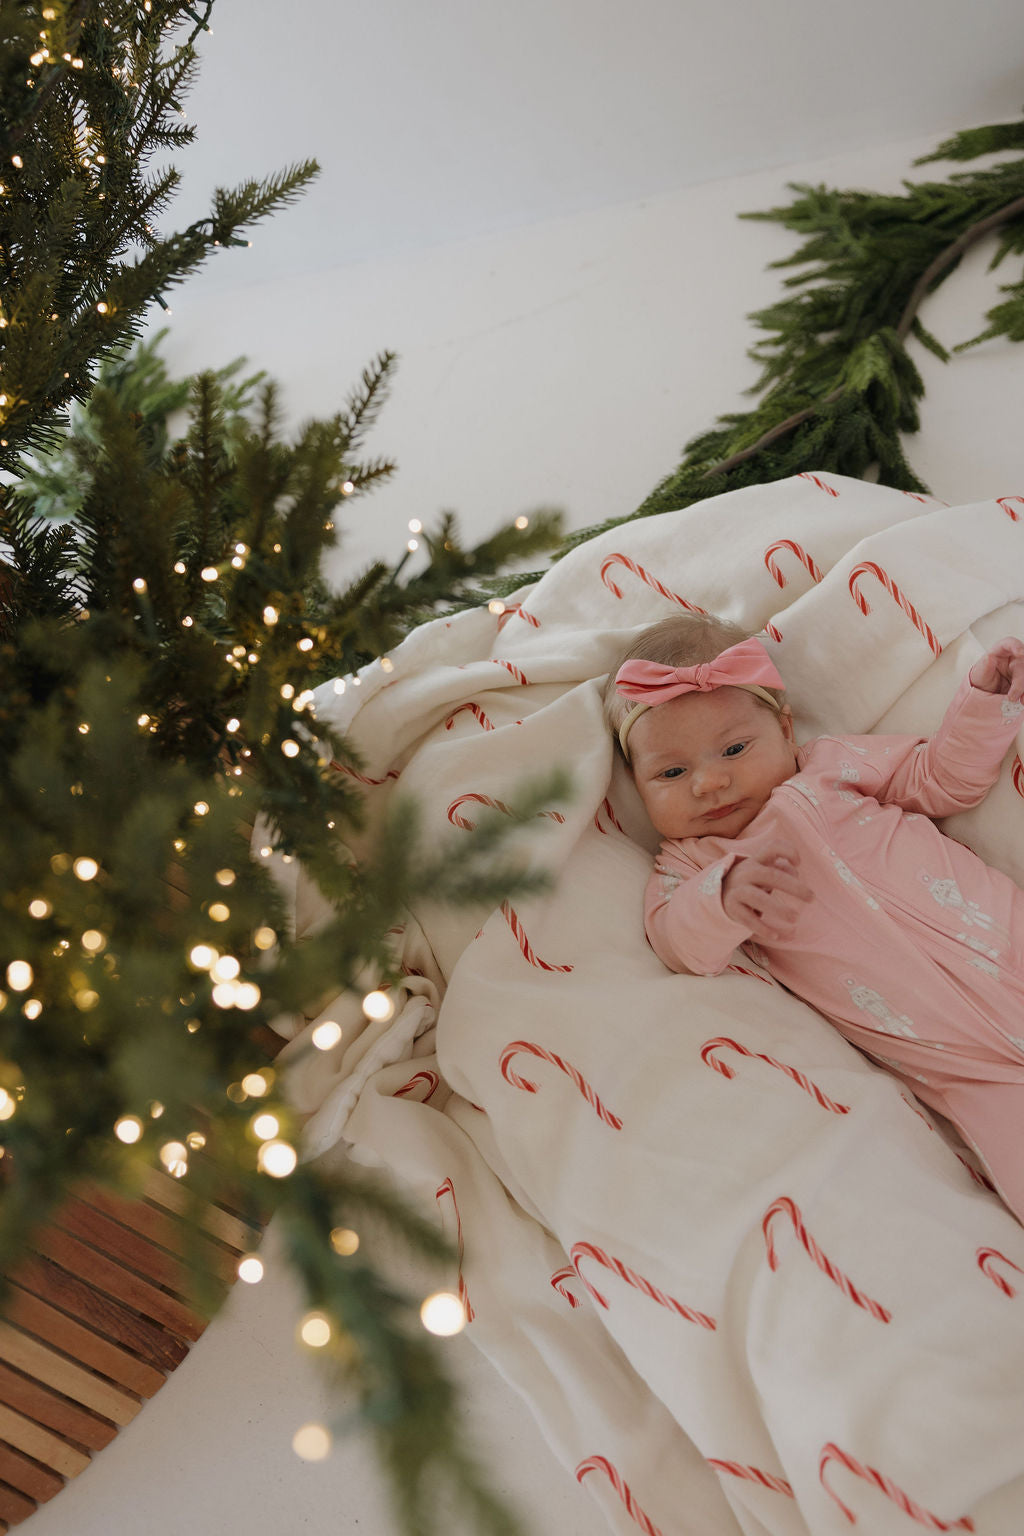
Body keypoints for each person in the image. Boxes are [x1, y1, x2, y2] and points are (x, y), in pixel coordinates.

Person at [604, 613, 1024, 1219]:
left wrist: (986, 707)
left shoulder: (832, 768)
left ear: (784, 728)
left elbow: (941, 779)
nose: (710, 782)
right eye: (672, 772)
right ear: (637, 784)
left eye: (734, 748)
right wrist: (721, 899)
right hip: (969, 1074)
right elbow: (678, 944)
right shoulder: (691, 866)